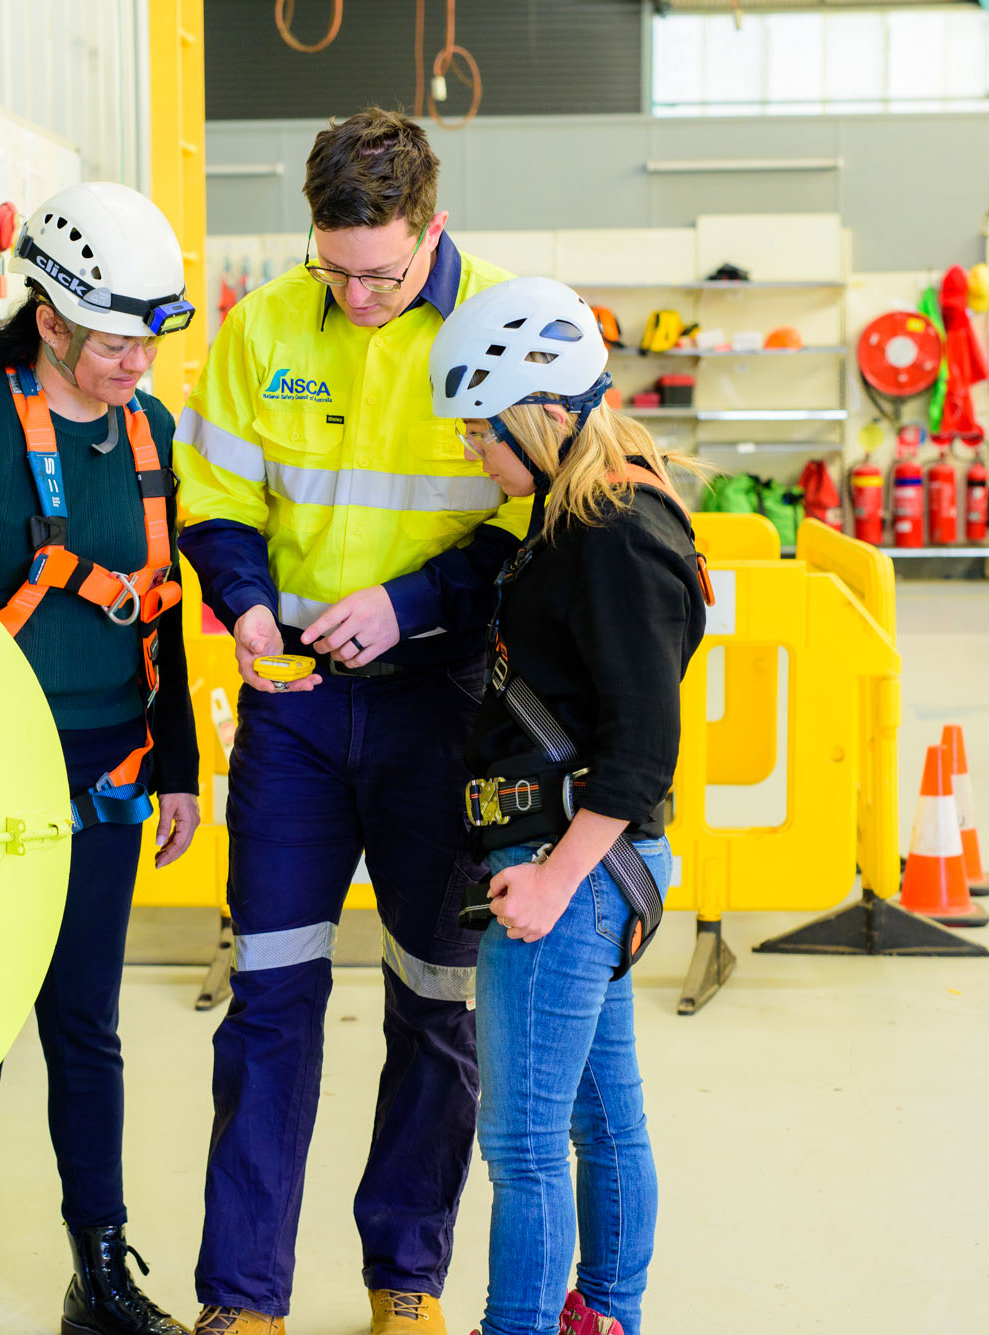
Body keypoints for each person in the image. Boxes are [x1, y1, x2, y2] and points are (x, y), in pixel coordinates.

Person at [172, 108, 525, 1335]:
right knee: (270, 1000)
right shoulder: (264, 324)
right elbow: (212, 494)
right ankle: (244, 1302)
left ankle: (403, 1283)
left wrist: (414, 604)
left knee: (432, 1003)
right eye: (335, 269)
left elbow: (533, 524)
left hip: (442, 712)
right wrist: (248, 609)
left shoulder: (501, 333)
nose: (357, 296)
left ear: (430, 226)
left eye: (379, 272)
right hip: (295, 717)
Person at [0, 180, 203, 1335]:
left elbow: (157, 611)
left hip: (107, 775)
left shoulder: (149, 435)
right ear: (50, 319)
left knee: (85, 1029)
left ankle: (98, 1275)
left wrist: (176, 763)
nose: (135, 363)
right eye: (114, 340)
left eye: (151, 338)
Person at [426, 276, 709, 1335]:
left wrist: (551, 878)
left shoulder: (612, 532)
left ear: (538, 414)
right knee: (597, 1116)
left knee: (524, 1141)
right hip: (581, 868)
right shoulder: (575, 514)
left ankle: (528, 1324)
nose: (471, 453)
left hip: (574, 868)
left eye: (479, 431)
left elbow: (642, 744)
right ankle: (606, 1317)